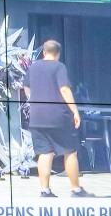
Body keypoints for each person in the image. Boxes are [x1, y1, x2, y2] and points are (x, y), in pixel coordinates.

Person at [23, 40, 92, 198]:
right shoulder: (59, 67)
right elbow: (64, 89)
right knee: (70, 151)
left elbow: (26, 86)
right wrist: (75, 111)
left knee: (45, 153)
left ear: (44, 52)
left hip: (37, 117)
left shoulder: (33, 67)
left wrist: (33, 99)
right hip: (58, 116)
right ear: (58, 53)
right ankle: (76, 189)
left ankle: (45, 190)